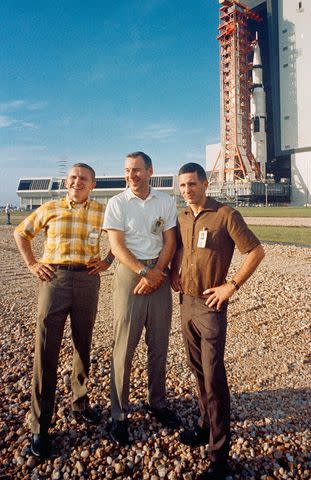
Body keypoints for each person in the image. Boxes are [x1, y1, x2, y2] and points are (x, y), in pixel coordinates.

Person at [171, 163, 265, 480]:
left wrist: (231, 285)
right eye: (182, 185)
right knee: (197, 371)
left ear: (206, 183)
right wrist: (173, 272)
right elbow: (183, 246)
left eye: (192, 184)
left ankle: (219, 455)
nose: (187, 190)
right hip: (186, 302)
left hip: (211, 306)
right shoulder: (183, 215)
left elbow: (255, 251)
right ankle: (203, 426)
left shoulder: (225, 214)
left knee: (214, 379)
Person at [14, 163, 114, 458]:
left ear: (93, 184)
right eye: (72, 177)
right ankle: (40, 425)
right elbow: (22, 233)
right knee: (46, 349)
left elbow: (123, 236)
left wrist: (107, 261)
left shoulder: (102, 211)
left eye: (83, 178)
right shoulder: (50, 207)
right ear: (66, 181)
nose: (77, 182)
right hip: (54, 279)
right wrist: (32, 263)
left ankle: (80, 404)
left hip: (87, 280)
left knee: (83, 344)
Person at [103, 151, 180, 445]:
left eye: (136, 170)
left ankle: (156, 402)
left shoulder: (165, 201)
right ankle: (119, 414)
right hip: (130, 272)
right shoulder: (117, 203)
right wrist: (143, 272)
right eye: (127, 171)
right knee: (124, 346)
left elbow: (170, 240)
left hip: (158, 271)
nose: (131, 175)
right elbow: (117, 244)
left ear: (150, 170)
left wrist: (158, 271)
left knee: (159, 344)